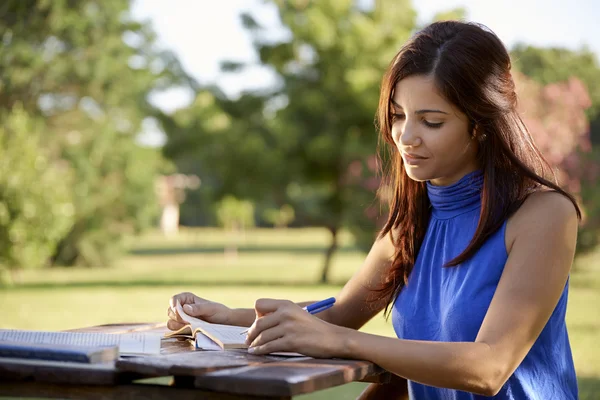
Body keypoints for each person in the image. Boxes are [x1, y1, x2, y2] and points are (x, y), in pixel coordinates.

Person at [167, 20, 580, 399]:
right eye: (399, 116)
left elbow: (490, 366)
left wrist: (341, 343)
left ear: (481, 124)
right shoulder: (411, 225)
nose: (406, 138)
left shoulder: (543, 215)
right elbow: (336, 318)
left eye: (432, 122)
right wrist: (223, 319)